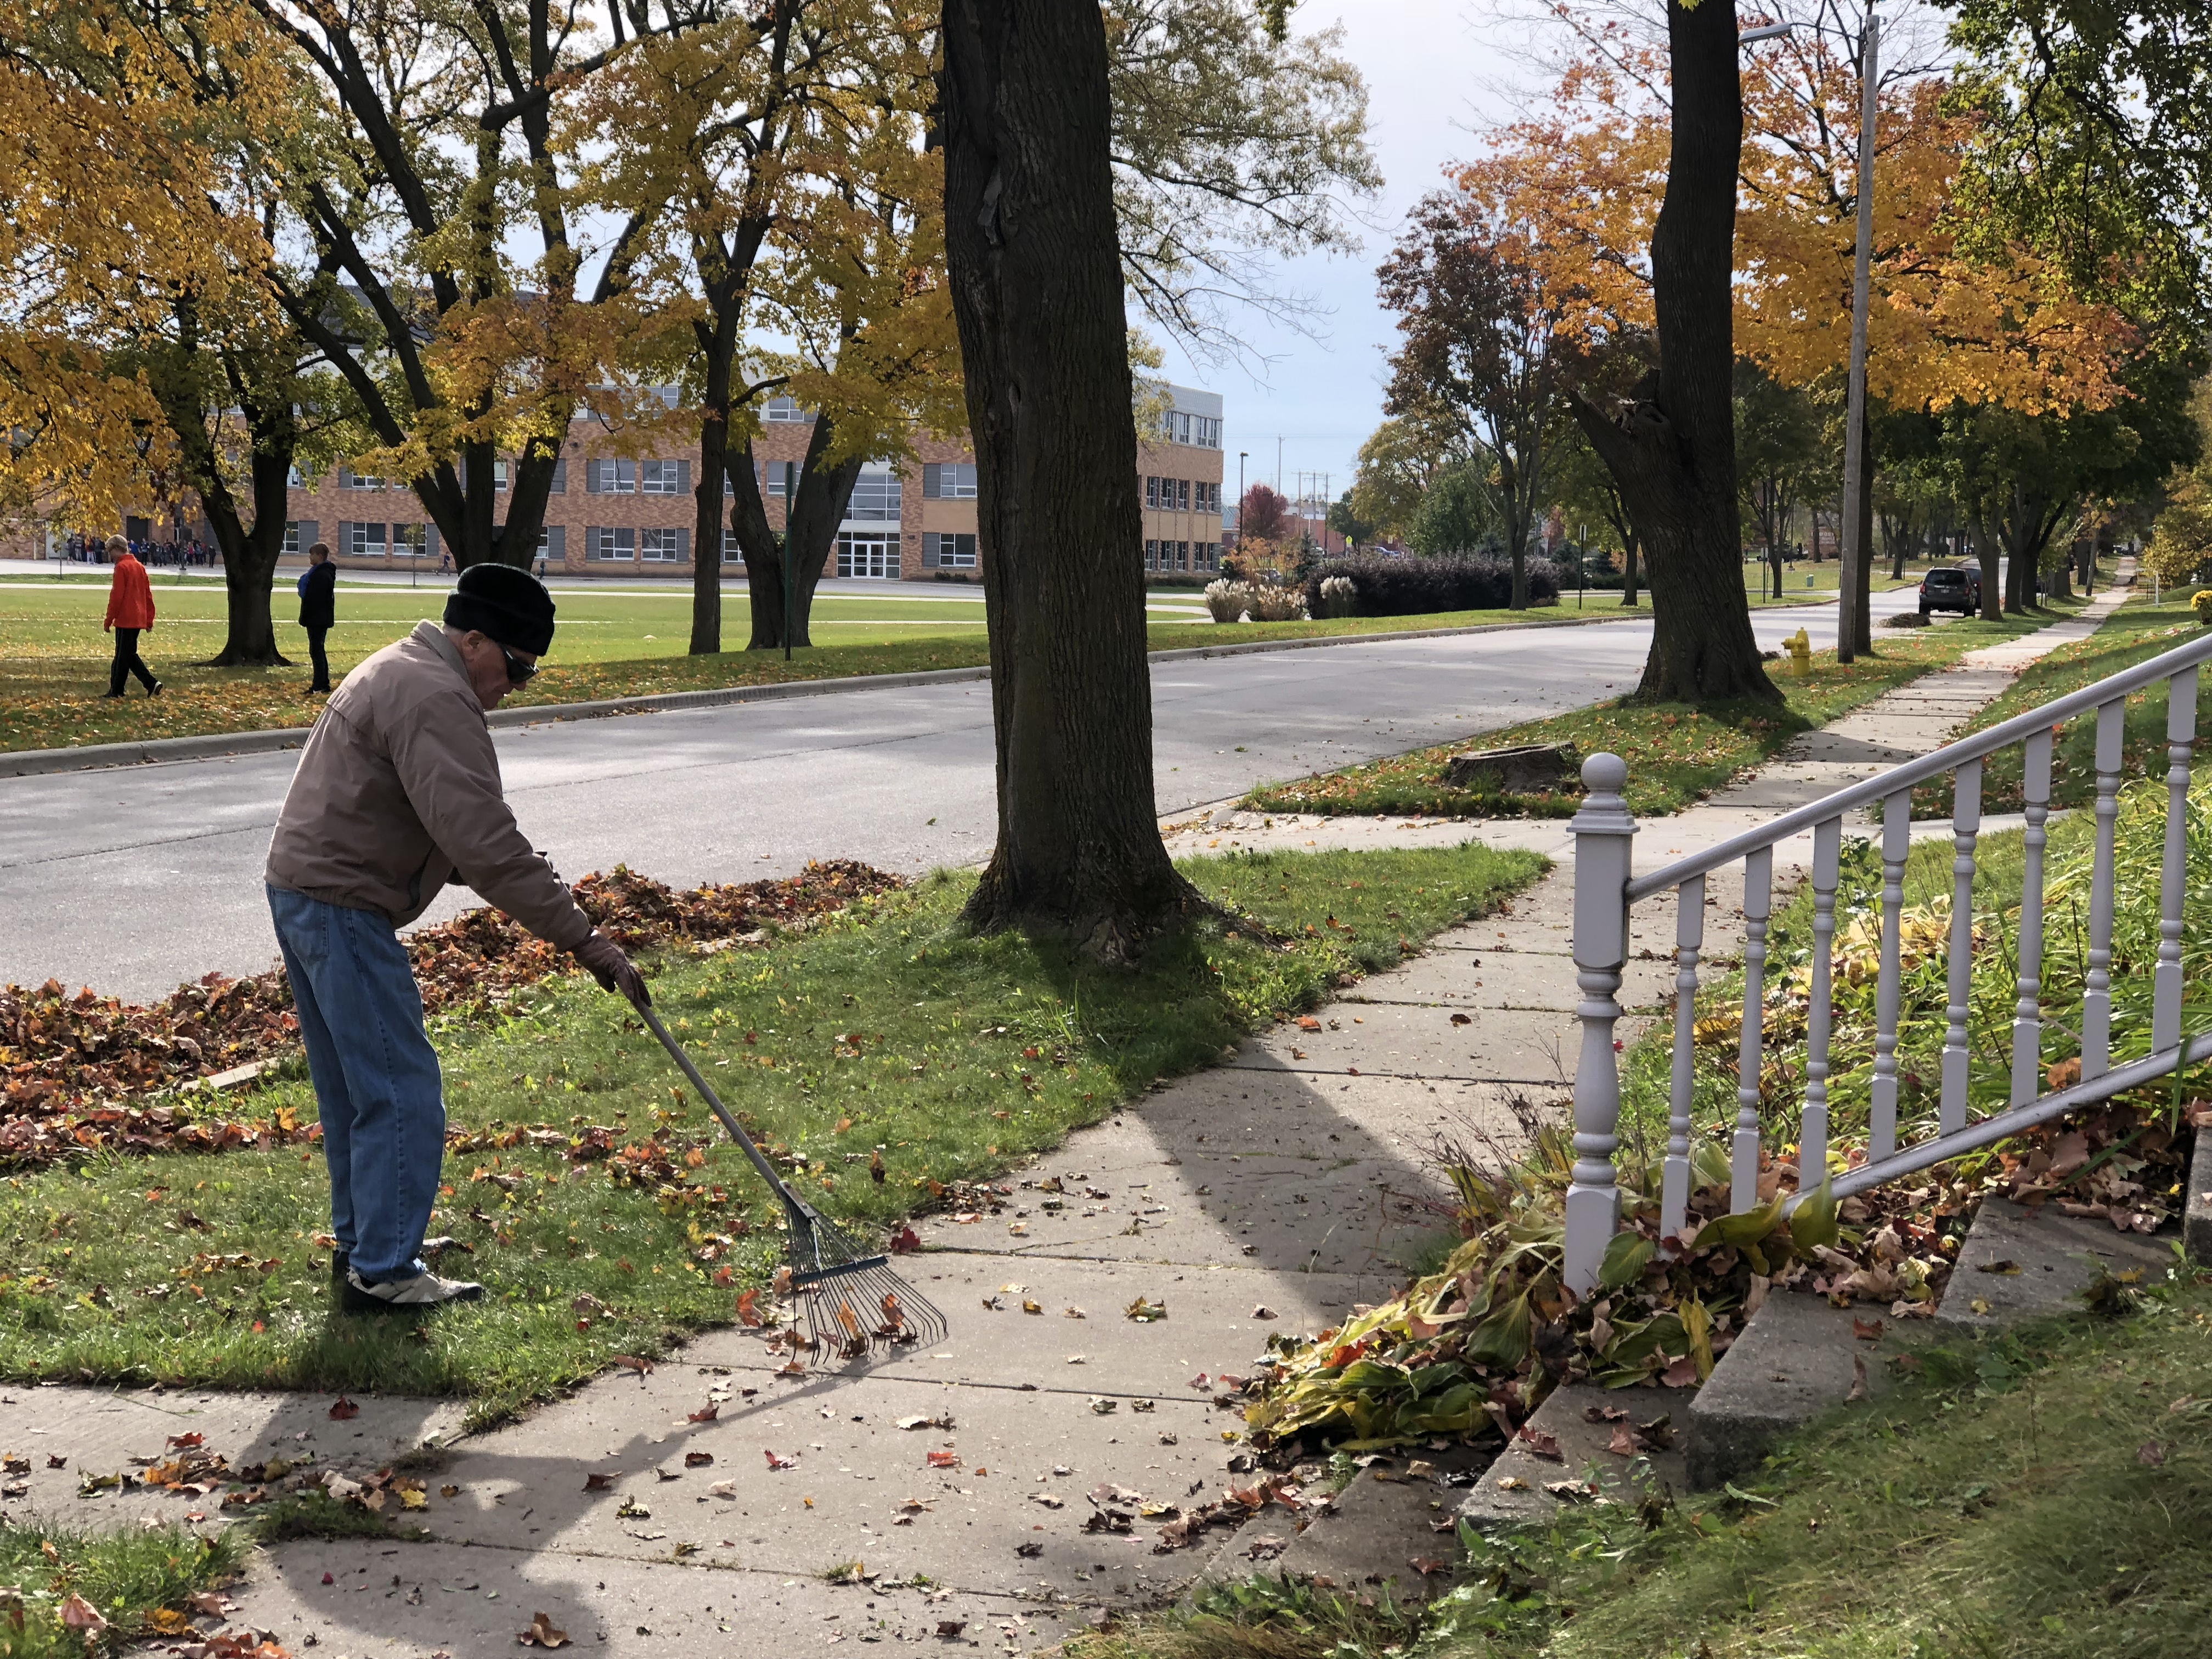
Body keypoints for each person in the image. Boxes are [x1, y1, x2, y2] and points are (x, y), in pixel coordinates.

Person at [263, 563, 647, 1312]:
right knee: (403, 1093)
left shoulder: (407, 671)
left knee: (355, 1092)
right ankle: (385, 1269)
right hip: (341, 903)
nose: (518, 686)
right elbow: (483, 844)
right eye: (518, 668)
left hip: (307, 891)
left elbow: (448, 831)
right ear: (475, 642)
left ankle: (368, 1242)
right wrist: (586, 941)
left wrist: (523, 877)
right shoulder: (436, 697)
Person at [101, 536, 160, 698]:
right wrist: (149, 619)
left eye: (110, 551)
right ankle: (117, 689)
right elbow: (148, 595)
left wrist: (109, 619)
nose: (110, 555)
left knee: (126, 656)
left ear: (116, 549)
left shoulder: (122, 567)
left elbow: (117, 596)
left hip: (126, 618)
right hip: (139, 617)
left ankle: (151, 683)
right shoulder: (139, 567)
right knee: (123, 656)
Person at [297, 541, 338, 694]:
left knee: (317, 650)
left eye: (312, 555)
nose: (310, 557)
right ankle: (320, 683)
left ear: (319, 556)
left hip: (318, 618)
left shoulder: (321, 575)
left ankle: (321, 685)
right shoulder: (319, 573)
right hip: (317, 617)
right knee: (316, 650)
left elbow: (316, 598)